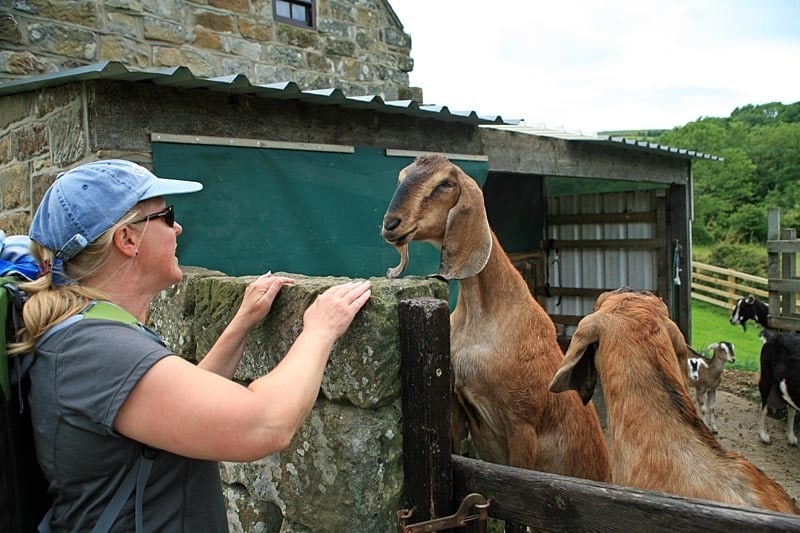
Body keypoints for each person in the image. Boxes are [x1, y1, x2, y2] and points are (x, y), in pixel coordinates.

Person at [12, 159, 371, 531]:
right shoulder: (95, 349)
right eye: (167, 216)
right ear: (127, 239)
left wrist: (241, 324)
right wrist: (320, 329)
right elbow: (264, 424)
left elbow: (175, 407)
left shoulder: (83, 331)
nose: (178, 227)